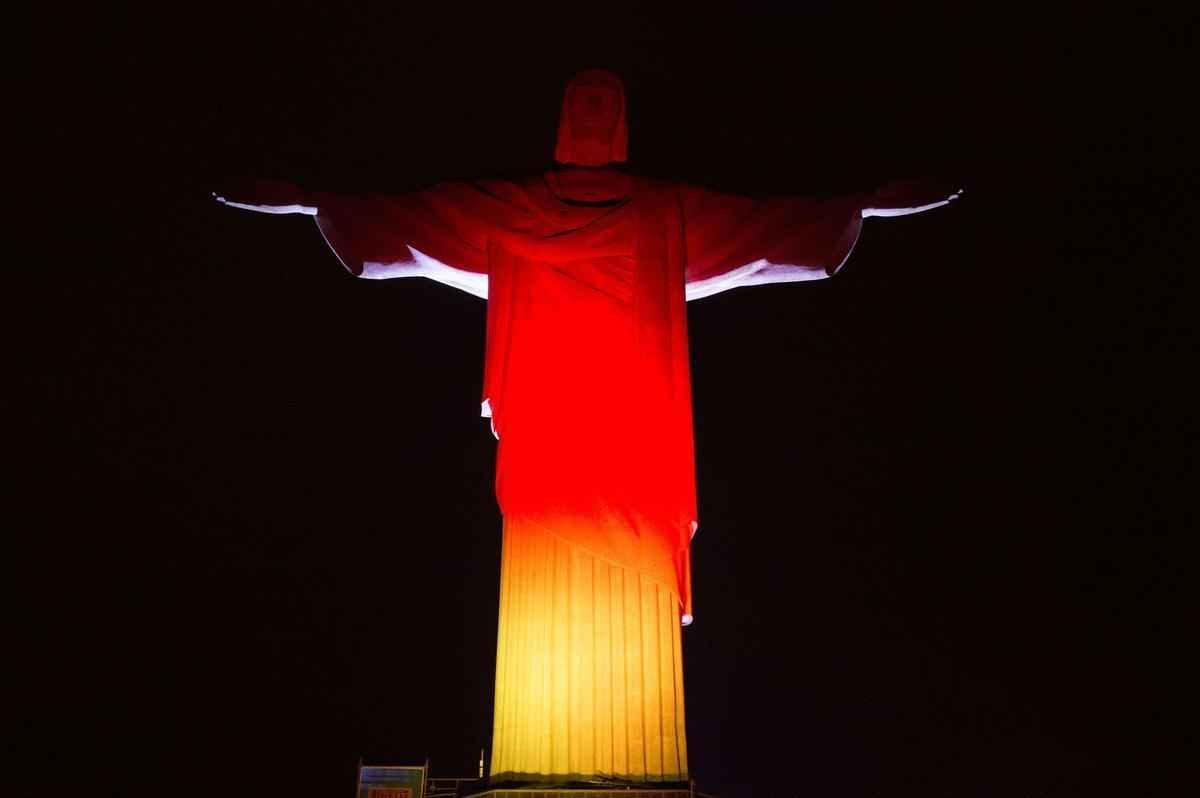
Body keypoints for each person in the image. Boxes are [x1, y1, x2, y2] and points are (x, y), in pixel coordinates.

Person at [215, 68, 960, 785]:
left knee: (619, 601)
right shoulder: (518, 206)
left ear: (622, 125)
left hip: (635, 443)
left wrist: (856, 207)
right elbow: (415, 218)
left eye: (608, 105)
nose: (596, 117)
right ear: (566, 122)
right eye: (585, 103)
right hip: (549, 444)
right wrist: (316, 202)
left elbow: (763, 225)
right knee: (545, 592)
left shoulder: (661, 210)